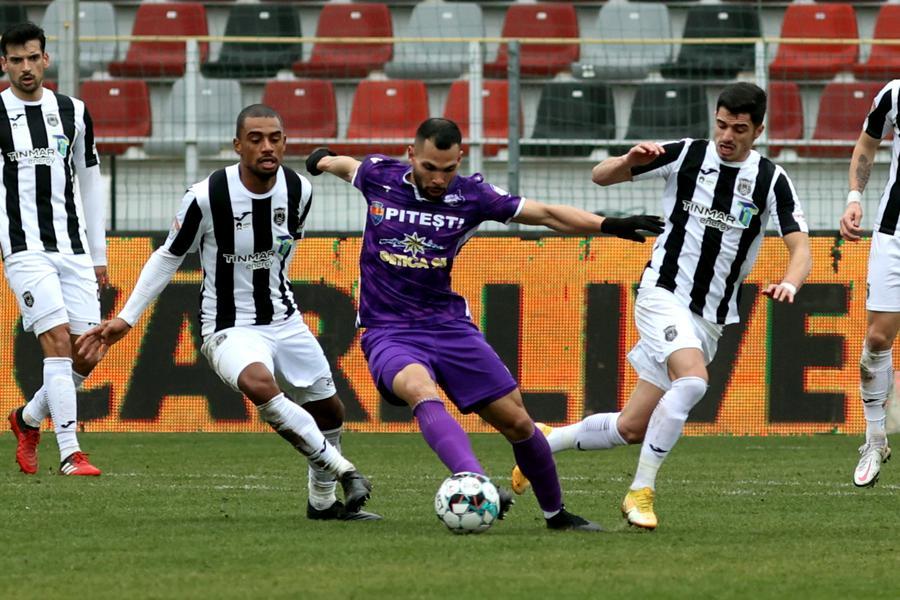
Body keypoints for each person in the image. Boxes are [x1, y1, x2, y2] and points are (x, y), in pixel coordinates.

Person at [305, 117, 664, 531]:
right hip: (389, 331)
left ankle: (556, 515)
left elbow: (545, 214)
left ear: (460, 159)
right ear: (410, 156)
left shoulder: (471, 195)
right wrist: (322, 161)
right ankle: (475, 481)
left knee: (518, 422)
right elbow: (346, 166)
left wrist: (608, 224)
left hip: (449, 326)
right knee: (419, 388)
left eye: (447, 169)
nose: (438, 178)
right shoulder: (379, 176)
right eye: (429, 168)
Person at [511, 82, 812, 529]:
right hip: (661, 293)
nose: (727, 136)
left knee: (631, 428)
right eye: (722, 124)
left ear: (758, 131)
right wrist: (628, 161)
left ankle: (546, 442)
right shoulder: (686, 154)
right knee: (692, 382)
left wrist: (791, 281)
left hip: (709, 317)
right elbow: (600, 175)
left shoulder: (771, 179)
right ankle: (640, 493)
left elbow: (800, 246)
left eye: (739, 129)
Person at [77, 104, 378, 520]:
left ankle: (322, 503)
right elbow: (168, 257)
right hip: (227, 326)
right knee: (260, 385)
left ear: (285, 142)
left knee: (329, 410)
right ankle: (345, 471)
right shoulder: (205, 197)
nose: (266, 147)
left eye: (274, 138)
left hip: (284, 318)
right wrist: (126, 318)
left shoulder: (299, 191)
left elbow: (285, 251)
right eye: (255, 139)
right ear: (238, 145)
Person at [2, 22, 107, 476]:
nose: (26, 68)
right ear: (4, 64)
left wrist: (98, 253)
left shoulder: (74, 111)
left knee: (89, 349)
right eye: (16, 60)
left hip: (74, 248)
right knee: (58, 343)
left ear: (46, 58)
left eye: (33, 57)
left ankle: (27, 420)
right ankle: (71, 453)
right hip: (24, 249)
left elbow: (89, 182)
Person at [839, 79, 900, 487]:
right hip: (895, 232)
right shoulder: (894, 94)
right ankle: (875, 438)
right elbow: (867, 144)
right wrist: (853, 197)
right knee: (877, 341)